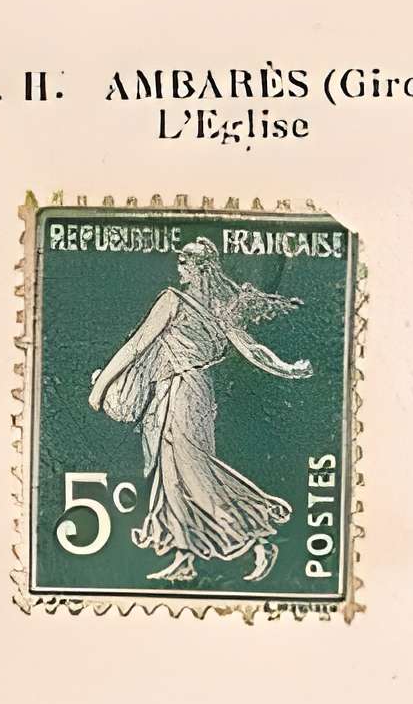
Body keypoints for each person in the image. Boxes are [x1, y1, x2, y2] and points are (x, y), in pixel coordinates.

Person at [87, 237, 312, 586]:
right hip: (190, 392)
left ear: (198, 268)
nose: (179, 269)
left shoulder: (172, 300)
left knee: (192, 470)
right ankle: (183, 556)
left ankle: (255, 540)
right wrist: (287, 369)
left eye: (184, 263)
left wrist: (100, 388)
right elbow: (254, 351)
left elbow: (136, 346)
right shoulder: (222, 309)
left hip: (180, 391)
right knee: (168, 474)